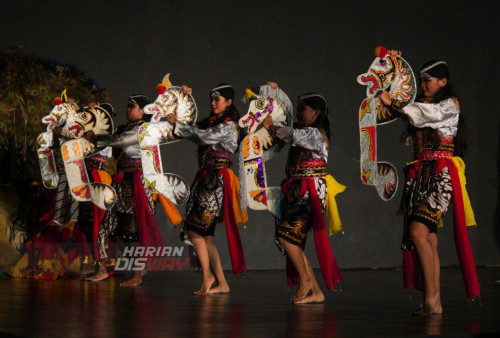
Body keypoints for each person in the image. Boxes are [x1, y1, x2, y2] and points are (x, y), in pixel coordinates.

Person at [379, 51, 478, 315]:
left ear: (443, 82)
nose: (423, 86)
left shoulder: (449, 105)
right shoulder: (421, 104)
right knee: (428, 238)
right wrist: (395, 67)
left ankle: (432, 299)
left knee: (418, 232)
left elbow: (424, 114)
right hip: (421, 175)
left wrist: (395, 103)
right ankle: (434, 301)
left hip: (441, 175)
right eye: (421, 81)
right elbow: (412, 109)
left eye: (428, 81)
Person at [262, 86, 345, 304]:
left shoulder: (317, 134)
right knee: (292, 240)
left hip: (310, 193)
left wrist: (272, 127)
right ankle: (315, 291)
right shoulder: (303, 132)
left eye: (304, 109)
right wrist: (274, 95)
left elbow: (293, 134)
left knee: (285, 235)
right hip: (295, 191)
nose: (300, 113)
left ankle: (306, 281)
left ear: (316, 113)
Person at [166, 83, 248, 295]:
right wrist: (183, 102)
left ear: (229, 102)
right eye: (212, 99)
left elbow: (202, 136)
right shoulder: (213, 123)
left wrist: (179, 124)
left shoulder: (228, 126)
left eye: (217, 100)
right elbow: (198, 131)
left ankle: (207, 277)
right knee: (206, 236)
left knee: (195, 230)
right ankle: (221, 282)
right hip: (206, 179)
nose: (213, 104)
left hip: (216, 182)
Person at [91, 94, 180, 286]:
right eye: (127, 106)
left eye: (132, 106)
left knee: (133, 232)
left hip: (137, 182)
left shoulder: (144, 129)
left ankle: (138, 273)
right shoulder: (123, 129)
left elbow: (120, 141)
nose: (127, 109)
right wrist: (95, 116)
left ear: (142, 111)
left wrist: (98, 138)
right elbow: (110, 148)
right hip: (121, 182)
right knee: (107, 226)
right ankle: (103, 269)